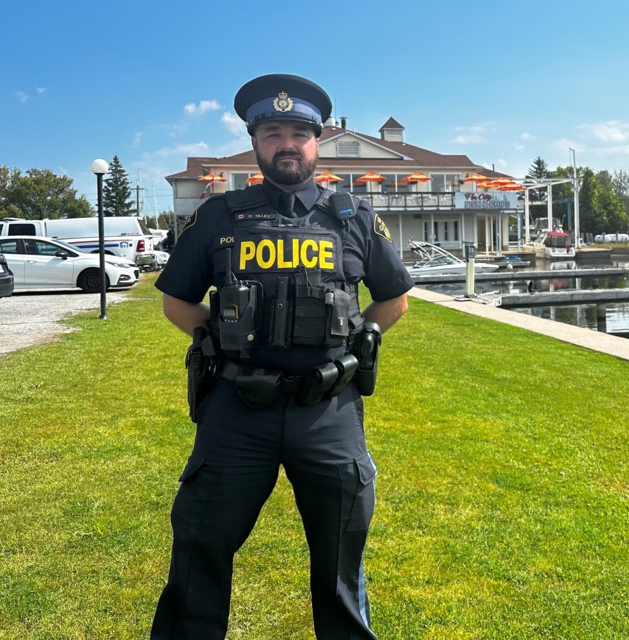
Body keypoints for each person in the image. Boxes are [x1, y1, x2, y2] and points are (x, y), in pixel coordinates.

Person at [150, 73, 413, 640]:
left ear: (318, 142)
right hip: (237, 411)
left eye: (299, 132)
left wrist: (363, 336)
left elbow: (394, 298)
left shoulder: (353, 217)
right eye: (273, 132)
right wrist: (213, 339)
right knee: (200, 547)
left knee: (342, 559)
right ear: (256, 143)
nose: (287, 143)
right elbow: (177, 300)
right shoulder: (219, 217)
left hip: (329, 411)